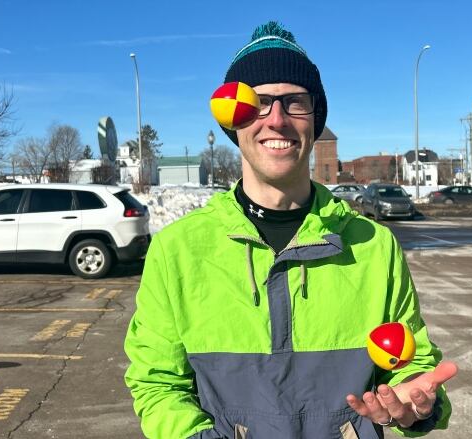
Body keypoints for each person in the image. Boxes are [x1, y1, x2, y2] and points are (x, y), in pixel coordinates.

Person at [124, 21, 454, 439]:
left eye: (294, 102)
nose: (276, 120)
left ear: (315, 121)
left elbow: (413, 365)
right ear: (233, 122)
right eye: (257, 103)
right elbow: (157, 384)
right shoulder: (178, 250)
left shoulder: (374, 246)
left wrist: (415, 407)